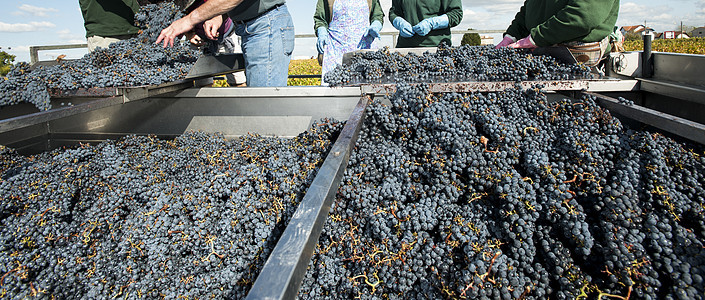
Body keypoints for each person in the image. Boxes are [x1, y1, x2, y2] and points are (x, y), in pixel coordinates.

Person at [156, 0, 294, 87]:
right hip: (252, 27)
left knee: (264, 106)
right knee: (257, 100)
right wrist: (219, 16)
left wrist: (188, 20)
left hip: (265, 25)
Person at [495, 0, 620, 66]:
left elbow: (582, 17)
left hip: (579, 59)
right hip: (542, 56)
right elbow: (528, 11)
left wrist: (536, 38)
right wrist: (511, 36)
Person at [314, 0, 384, 84]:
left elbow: (377, 14)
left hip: (364, 50)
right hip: (336, 51)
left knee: (366, 88)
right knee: (334, 87)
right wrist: (321, 31)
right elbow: (320, 19)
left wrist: (376, 25)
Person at [388, 0, 463, 48]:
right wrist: (398, 22)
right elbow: (394, 12)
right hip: (405, 47)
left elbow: (456, 14)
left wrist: (432, 23)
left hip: (436, 47)